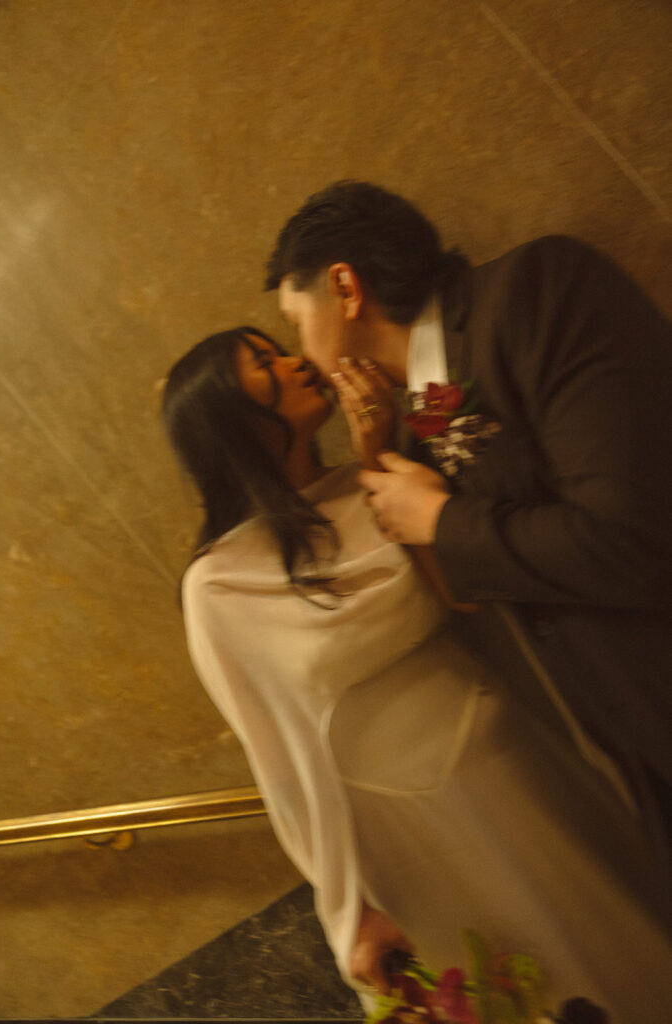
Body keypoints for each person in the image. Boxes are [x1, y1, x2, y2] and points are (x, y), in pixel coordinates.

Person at [163, 326, 671, 1022]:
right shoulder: (218, 586)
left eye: (280, 347)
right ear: (225, 413)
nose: (294, 362)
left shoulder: (378, 480)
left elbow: (460, 594)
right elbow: (277, 759)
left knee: (618, 936)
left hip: (517, 750)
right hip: (406, 828)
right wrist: (345, 907)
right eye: (264, 362)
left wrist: (377, 452)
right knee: (523, 984)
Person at [265, 180, 672, 919]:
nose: (301, 351)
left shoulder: (536, 291)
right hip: (633, 732)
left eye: (295, 322)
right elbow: (463, 586)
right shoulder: (425, 407)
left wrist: (442, 518)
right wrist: (375, 451)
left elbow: (628, 539)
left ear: (345, 288)